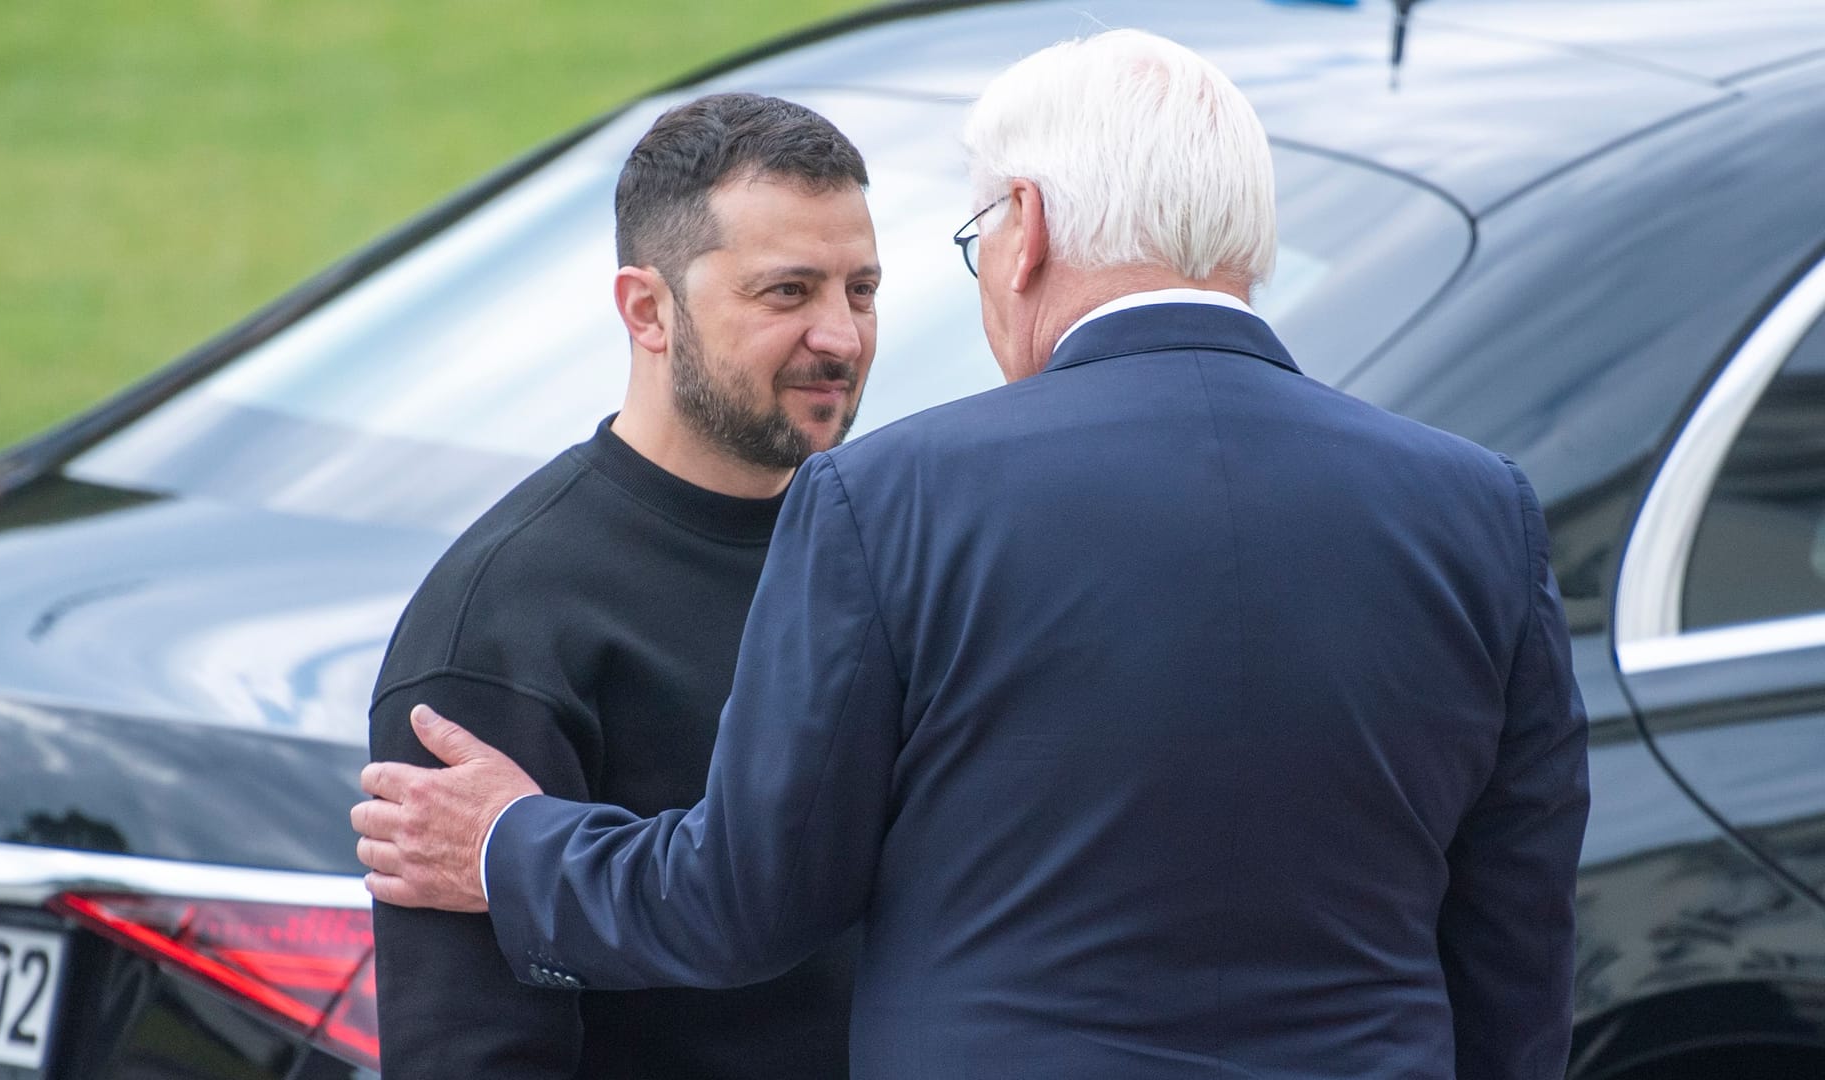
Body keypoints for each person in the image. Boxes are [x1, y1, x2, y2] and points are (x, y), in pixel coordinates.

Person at [354, 30, 1590, 1080]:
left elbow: (752, 897)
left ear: (1028, 228)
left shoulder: (894, 500)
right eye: (789, 292)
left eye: (881, 281)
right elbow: (1516, 936)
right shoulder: (1476, 506)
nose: (841, 334)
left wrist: (513, 847)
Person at [364, 91, 878, 1078]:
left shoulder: (895, 550)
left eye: (861, 289)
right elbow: (473, 1056)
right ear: (648, 309)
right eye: (787, 293)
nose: (841, 337)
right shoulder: (508, 620)